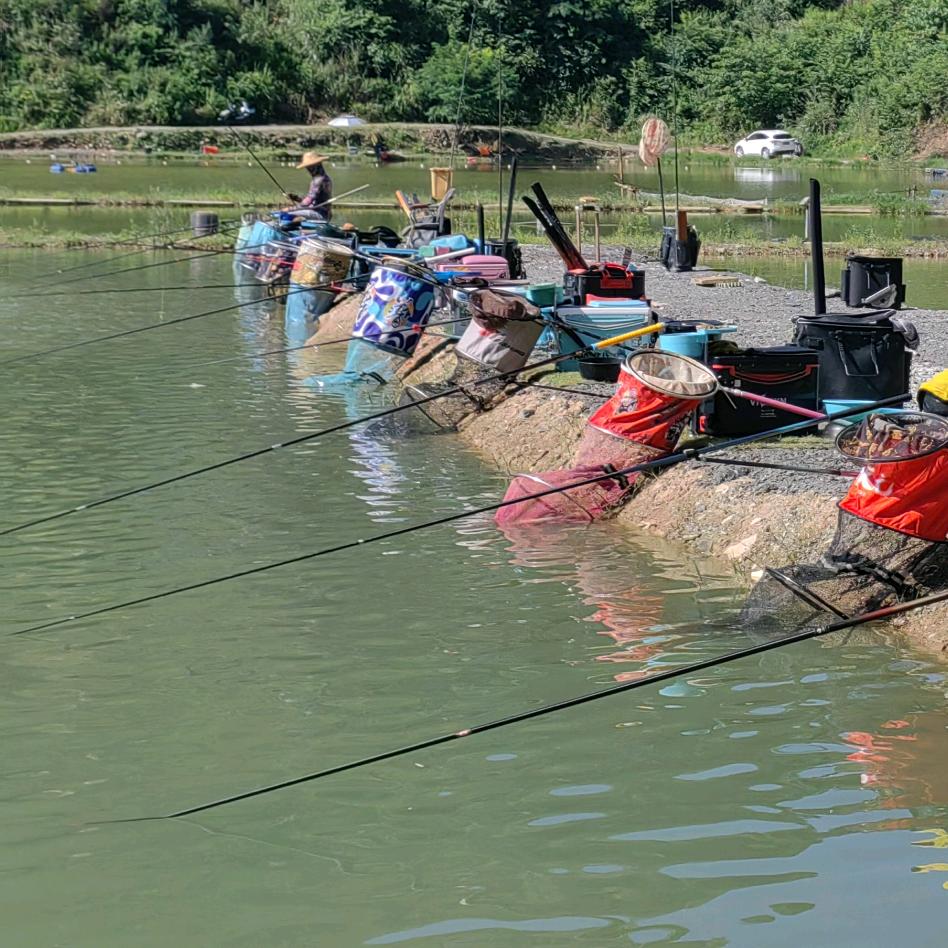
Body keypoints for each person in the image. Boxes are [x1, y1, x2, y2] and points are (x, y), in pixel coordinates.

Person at [288, 152, 333, 221]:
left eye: (310, 167)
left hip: (319, 214)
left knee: (286, 213)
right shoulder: (325, 178)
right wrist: (296, 198)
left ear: (317, 165)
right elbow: (313, 200)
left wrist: (291, 209)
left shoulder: (318, 180)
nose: (308, 169)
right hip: (324, 214)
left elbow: (308, 202)